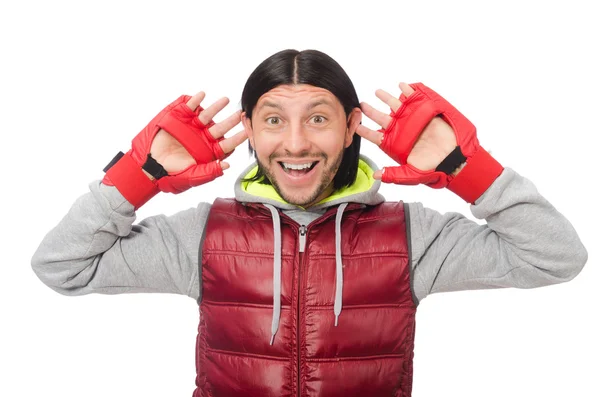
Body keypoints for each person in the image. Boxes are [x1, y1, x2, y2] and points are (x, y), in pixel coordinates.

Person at [31, 49, 587, 396]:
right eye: (274, 120)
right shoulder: (201, 236)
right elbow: (62, 267)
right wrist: (139, 175)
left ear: (350, 128)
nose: (295, 143)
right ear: (249, 129)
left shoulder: (413, 237)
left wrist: (466, 168)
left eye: (318, 118)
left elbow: (557, 257)